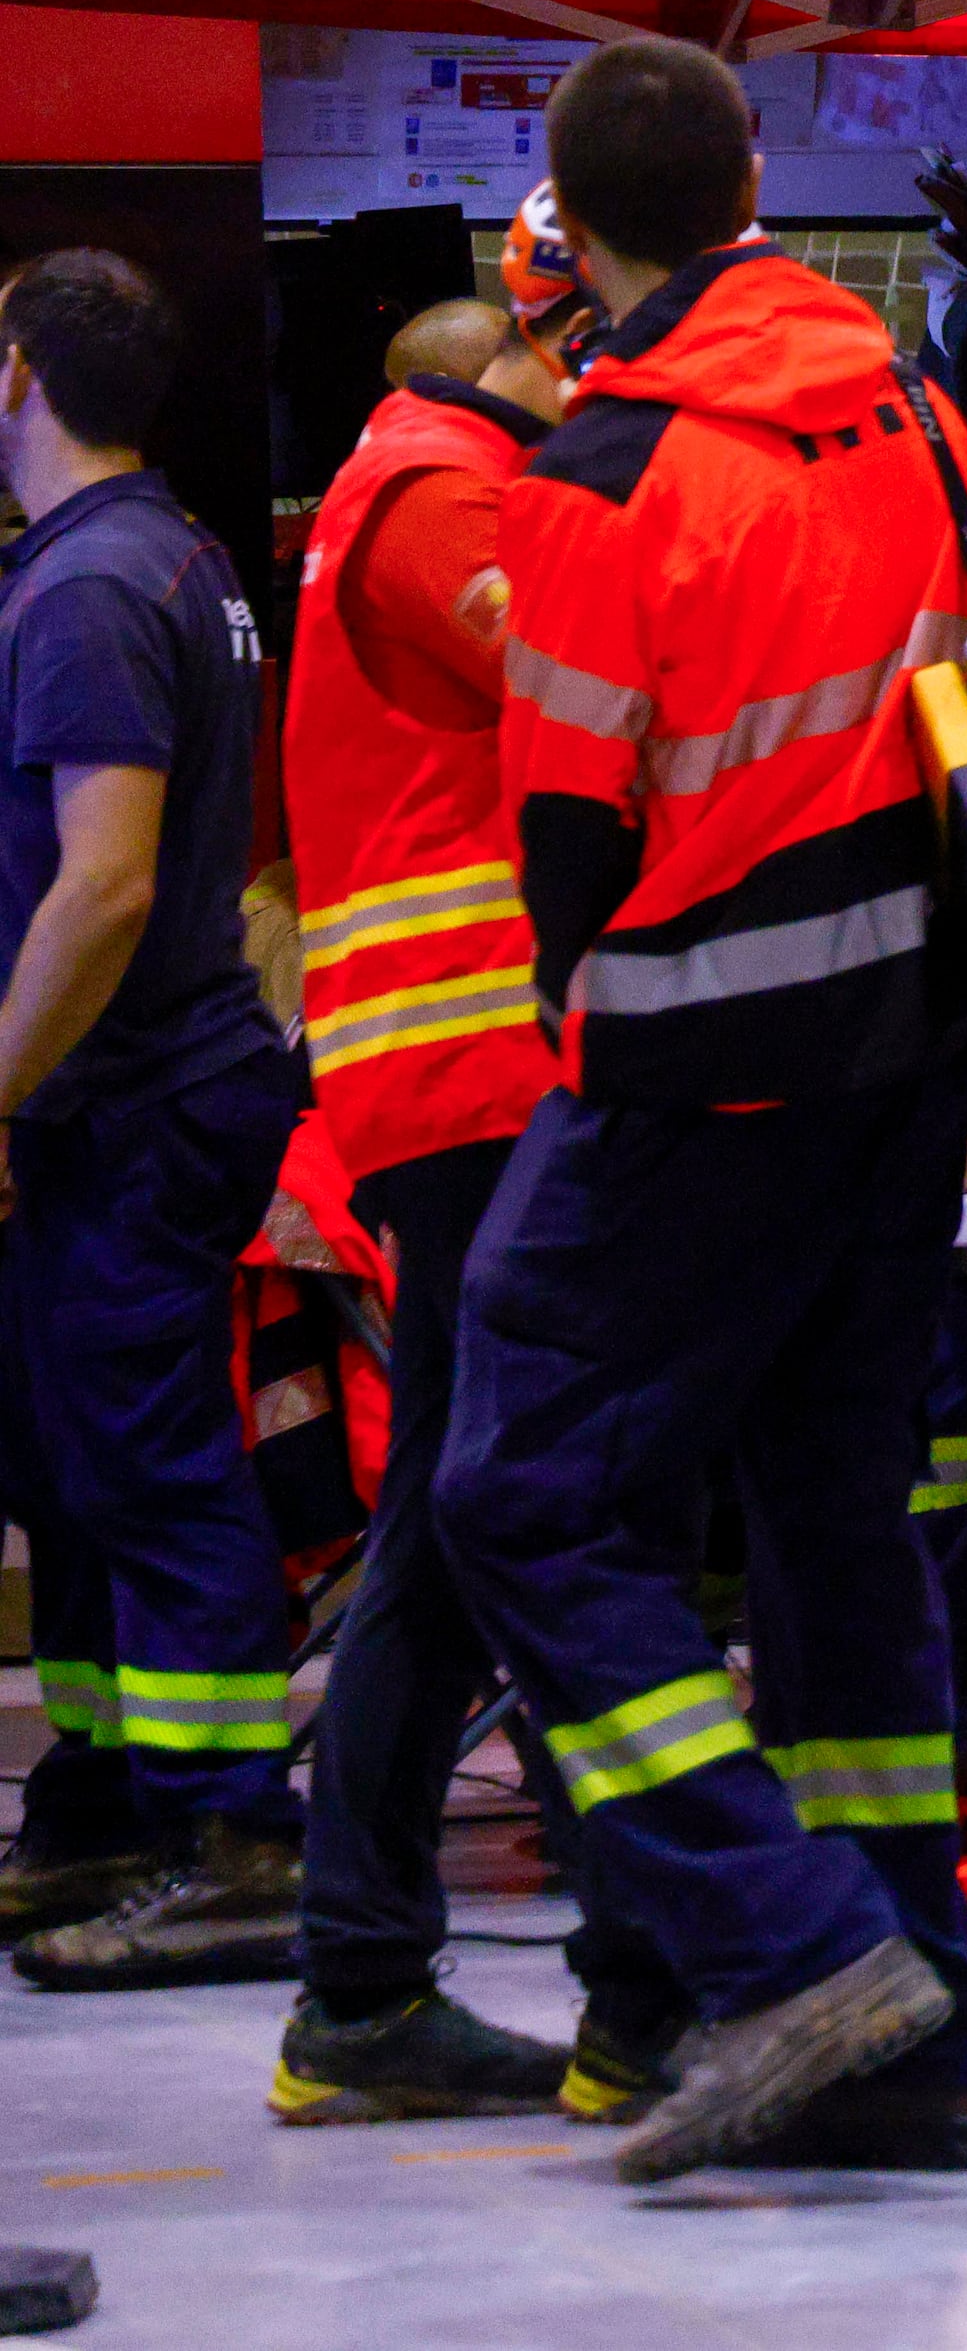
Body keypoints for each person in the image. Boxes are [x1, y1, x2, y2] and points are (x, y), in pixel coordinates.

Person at [435, 38, 967, 2177]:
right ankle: (922, 2046)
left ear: (569, 229)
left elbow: (567, 835)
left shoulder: (594, 472)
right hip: (902, 1057)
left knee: (519, 1495)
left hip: (692, 1054)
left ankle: (785, 1959)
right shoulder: (909, 401)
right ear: (755, 180)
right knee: (836, 1523)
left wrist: (605, 1026)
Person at [249, 295, 691, 2101]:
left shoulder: (417, 480)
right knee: (537, 1500)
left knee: (468, 1503)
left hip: (464, 1086)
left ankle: (392, 1985)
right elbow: (599, 702)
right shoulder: (444, 491)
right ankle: (612, 1985)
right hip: (485, 1083)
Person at [0, 253, 309, 1990]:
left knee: (150, 1464)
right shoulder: (163, 560)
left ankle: (235, 1839)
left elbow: (102, 888)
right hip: (126, 1099)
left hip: (128, 1103)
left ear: (24, 374)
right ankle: (117, 1802)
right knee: (74, 1464)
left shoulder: (94, 590)